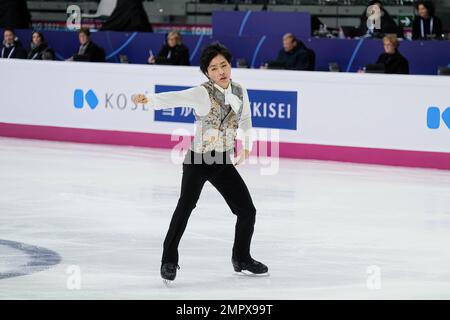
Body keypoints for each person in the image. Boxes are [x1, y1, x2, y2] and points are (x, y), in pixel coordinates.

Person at [132, 43, 268, 282]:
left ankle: (242, 258)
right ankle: (168, 261)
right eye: (214, 68)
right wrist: (148, 99)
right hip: (198, 160)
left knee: (247, 210)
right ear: (207, 73)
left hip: (222, 160)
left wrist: (247, 145)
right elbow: (174, 98)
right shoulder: (202, 92)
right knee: (185, 207)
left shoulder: (240, 90)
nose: (221, 71)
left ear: (230, 65)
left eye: (223, 65)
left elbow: (245, 119)